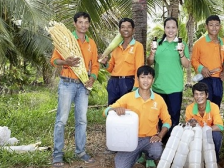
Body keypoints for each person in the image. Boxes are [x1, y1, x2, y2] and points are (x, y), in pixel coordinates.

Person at [50, 12, 99, 167]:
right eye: (80, 22)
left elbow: (95, 65)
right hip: (67, 84)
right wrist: (66, 62)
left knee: (82, 120)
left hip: (83, 85)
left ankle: (81, 152)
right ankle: (57, 155)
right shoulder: (65, 40)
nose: (83, 25)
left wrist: (92, 77)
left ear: (89, 24)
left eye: (86, 22)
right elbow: (54, 60)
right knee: (61, 120)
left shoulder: (91, 43)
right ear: (75, 24)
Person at [103, 65, 172, 168]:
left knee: (157, 151)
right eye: (143, 77)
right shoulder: (128, 97)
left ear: (153, 80)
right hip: (130, 139)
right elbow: (106, 111)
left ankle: (149, 157)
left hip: (149, 139)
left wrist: (160, 135)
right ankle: (137, 154)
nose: (146, 81)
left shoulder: (158, 99)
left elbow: (167, 121)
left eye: (149, 78)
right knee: (120, 166)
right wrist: (115, 109)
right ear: (137, 79)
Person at [147, 17, 190, 141]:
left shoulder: (181, 45)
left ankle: (171, 143)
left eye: (173, 27)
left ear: (177, 29)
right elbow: (149, 62)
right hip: (158, 87)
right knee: (158, 117)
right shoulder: (158, 44)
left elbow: (186, 65)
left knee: (173, 117)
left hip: (175, 88)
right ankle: (158, 142)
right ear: (164, 28)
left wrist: (181, 53)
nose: (170, 30)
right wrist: (152, 52)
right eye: (168, 27)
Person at [99, 17, 145, 105]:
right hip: (113, 82)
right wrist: (105, 64)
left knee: (127, 111)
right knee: (113, 110)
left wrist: (136, 86)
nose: (126, 29)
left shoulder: (138, 46)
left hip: (128, 82)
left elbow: (139, 68)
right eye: (123, 27)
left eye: (128, 27)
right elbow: (111, 68)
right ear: (120, 30)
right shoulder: (116, 47)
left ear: (133, 30)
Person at [191, 15, 224, 107]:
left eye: (217, 25)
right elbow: (194, 60)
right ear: (206, 27)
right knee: (205, 104)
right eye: (211, 25)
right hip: (204, 78)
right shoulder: (199, 43)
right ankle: (203, 121)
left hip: (218, 79)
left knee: (216, 104)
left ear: (220, 27)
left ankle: (214, 121)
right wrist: (202, 69)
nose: (214, 28)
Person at [185, 82, 223, 162]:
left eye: (201, 94)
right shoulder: (189, 108)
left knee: (216, 135)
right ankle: (193, 160)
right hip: (196, 135)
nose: (199, 97)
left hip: (209, 133)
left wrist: (204, 129)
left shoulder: (213, 107)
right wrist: (190, 125)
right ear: (193, 96)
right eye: (196, 94)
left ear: (207, 95)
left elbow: (219, 126)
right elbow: (187, 127)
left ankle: (214, 159)